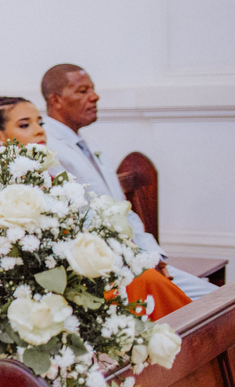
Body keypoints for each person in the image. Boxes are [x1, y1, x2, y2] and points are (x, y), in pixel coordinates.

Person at [0, 93, 191, 321]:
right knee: (145, 282)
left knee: (150, 282)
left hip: (92, 267)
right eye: (25, 125)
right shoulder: (4, 186)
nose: (39, 130)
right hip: (60, 286)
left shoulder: (49, 176)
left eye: (40, 122)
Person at [41, 64, 214, 302]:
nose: (95, 96)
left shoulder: (91, 145)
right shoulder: (50, 149)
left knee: (218, 300)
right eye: (83, 91)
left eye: (92, 89)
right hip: (111, 269)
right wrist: (139, 261)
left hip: (139, 259)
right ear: (56, 100)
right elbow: (83, 221)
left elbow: (124, 211)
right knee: (214, 307)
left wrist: (153, 256)